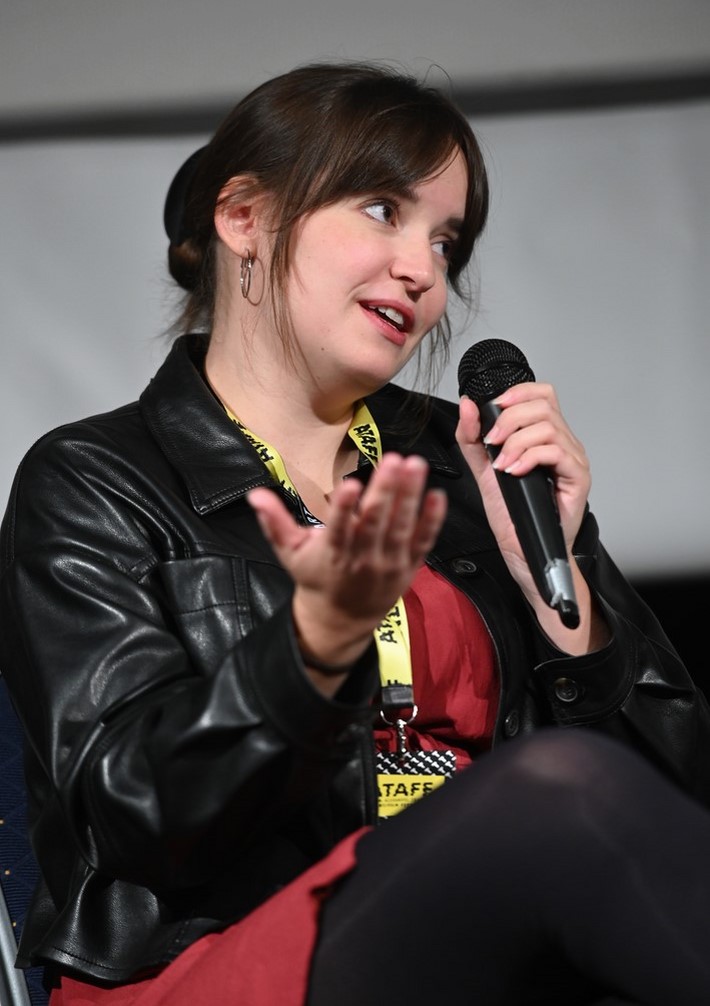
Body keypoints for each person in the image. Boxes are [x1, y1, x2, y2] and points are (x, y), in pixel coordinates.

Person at [1, 61, 710, 1006]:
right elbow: (135, 815)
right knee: (555, 791)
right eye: (383, 210)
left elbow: (674, 803)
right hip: (225, 955)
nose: (424, 270)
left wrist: (559, 589)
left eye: (447, 242)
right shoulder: (96, 478)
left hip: (489, 937)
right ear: (244, 218)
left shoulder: (471, 461)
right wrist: (312, 648)